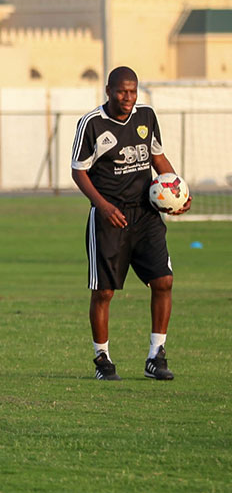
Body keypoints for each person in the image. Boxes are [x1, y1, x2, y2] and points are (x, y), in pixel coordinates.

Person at [71, 66, 184, 382]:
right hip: (109, 219)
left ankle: (156, 356)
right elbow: (78, 171)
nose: (128, 97)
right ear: (108, 90)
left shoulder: (146, 116)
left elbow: (158, 159)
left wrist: (175, 191)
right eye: (122, 91)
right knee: (104, 292)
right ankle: (102, 358)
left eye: (133, 91)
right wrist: (103, 206)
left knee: (163, 281)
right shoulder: (92, 124)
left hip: (146, 215)